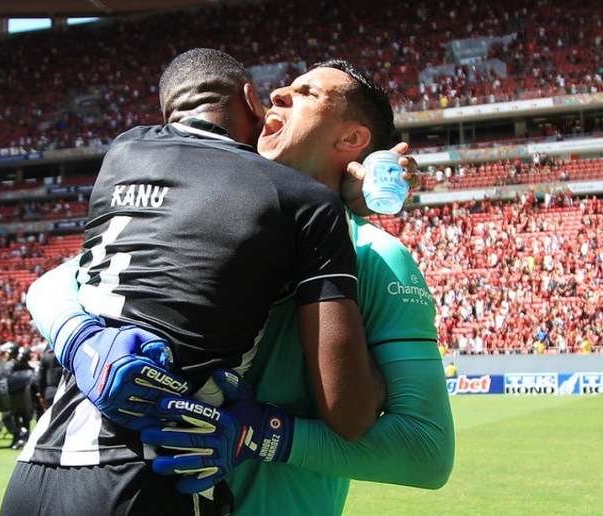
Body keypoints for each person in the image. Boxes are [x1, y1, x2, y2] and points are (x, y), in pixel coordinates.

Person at [28, 59, 455, 515]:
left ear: (351, 140)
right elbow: (54, 282)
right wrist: (82, 337)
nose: (278, 95)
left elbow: (427, 453)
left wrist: (266, 435)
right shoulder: (204, 214)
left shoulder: (376, 257)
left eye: (308, 93)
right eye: (283, 88)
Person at [36, 345, 62, 413]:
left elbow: (40, 378)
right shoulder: (64, 354)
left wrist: (41, 394)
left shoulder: (45, 356)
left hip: (50, 392)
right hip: (64, 390)